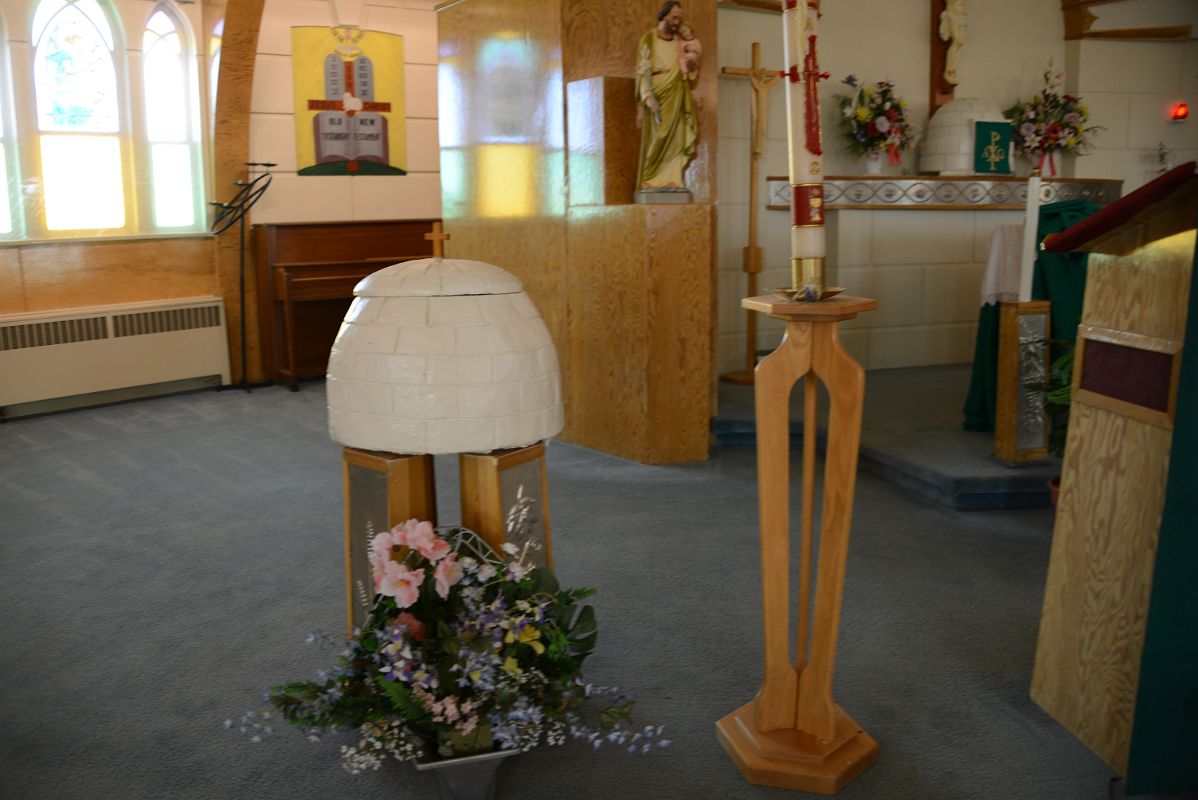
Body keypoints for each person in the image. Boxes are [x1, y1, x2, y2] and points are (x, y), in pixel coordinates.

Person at [635, 1, 699, 191]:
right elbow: (642, 70)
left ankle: (673, 179)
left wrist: (692, 63)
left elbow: (689, 67)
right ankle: (650, 178)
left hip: (677, 90)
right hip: (658, 91)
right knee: (657, 137)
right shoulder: (648, 39)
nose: (677, 22)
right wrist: (648, 96)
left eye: (680, 18)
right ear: (663, 16)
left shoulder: (681, 41)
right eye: (674, 17)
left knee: (676, 136)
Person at [939, 0, 966, 86]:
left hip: (962, 17)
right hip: (952, 15)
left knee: (960, 43)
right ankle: (948, 71)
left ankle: (953, 70)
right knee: (956, 41)